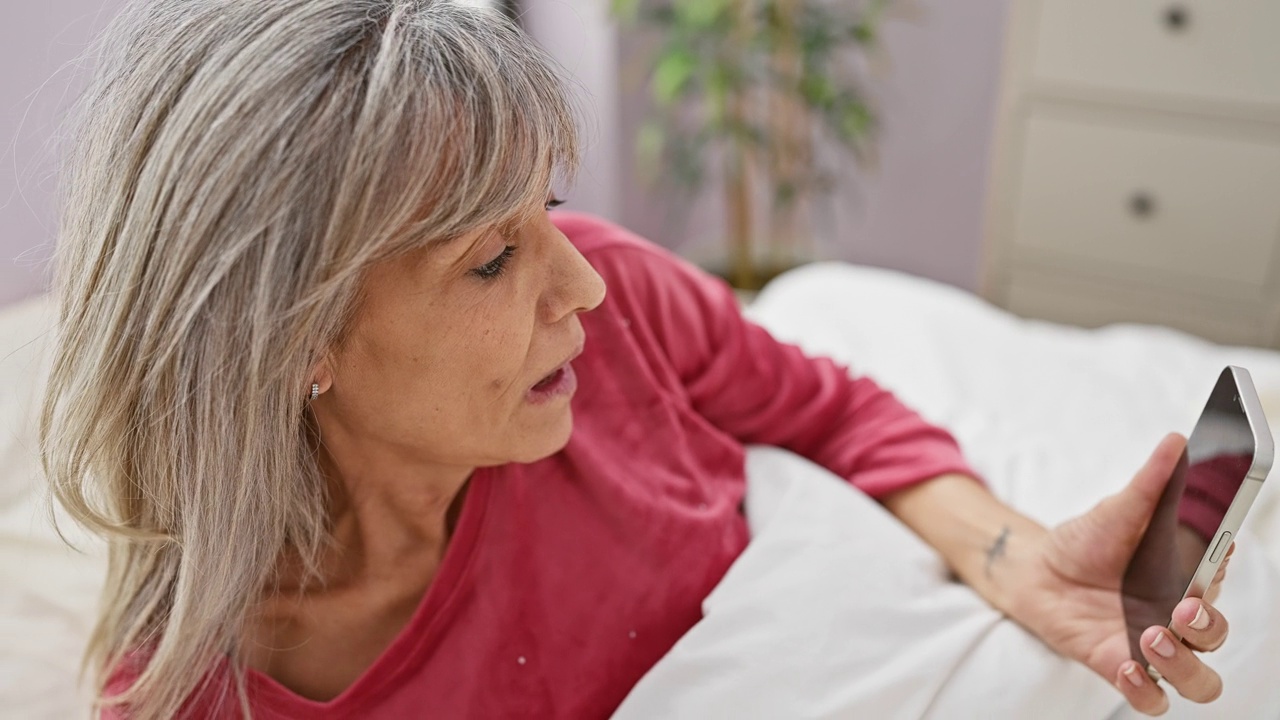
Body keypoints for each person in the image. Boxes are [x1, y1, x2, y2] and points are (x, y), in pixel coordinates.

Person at [40, 1, 1231, 718]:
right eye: (490, 261)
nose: (585, 282)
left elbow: (832, 411)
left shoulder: (610, 316)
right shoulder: (215, 689)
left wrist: (1017, 562)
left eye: (546, 206)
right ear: (297, 339)